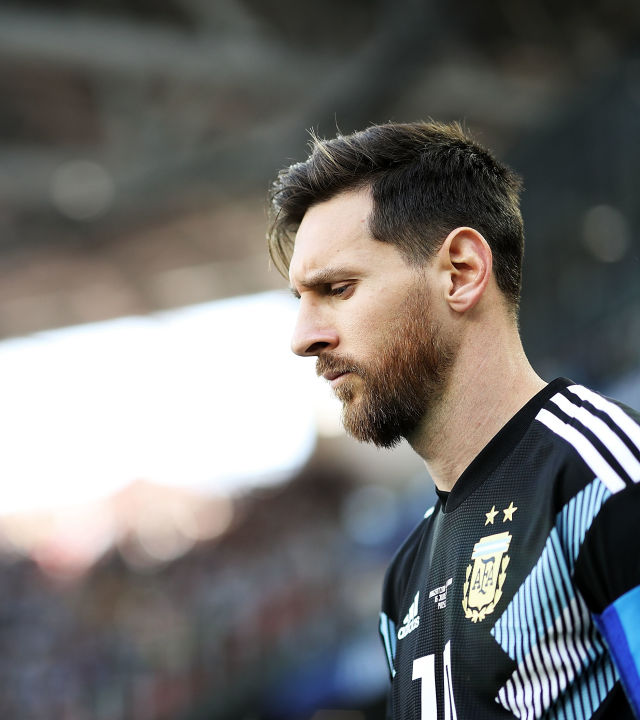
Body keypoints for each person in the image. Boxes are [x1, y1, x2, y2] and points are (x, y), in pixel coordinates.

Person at [267, 121, 640, 719]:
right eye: (300, 302)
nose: (303, 338)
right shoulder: (405, 576)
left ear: (461, 271)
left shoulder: (604, 477)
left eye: (337, 288)